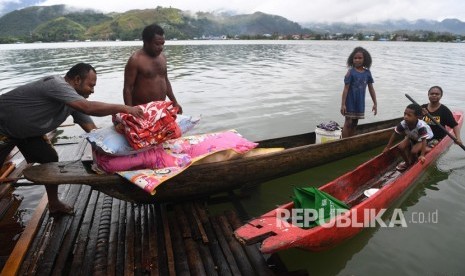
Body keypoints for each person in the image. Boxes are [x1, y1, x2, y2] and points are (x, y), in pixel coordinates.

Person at [0, 63, 143, 215]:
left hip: (26, 132)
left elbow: (93, 132)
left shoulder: (73, 102)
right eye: (90, 85)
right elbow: (89, 108)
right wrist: (125, 108)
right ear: (76, 80)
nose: (92, 91)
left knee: (49, 158)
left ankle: (54, 204)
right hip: (2, 126)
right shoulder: (56, 84)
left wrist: (112, 145)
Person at [123, 23, 182, 113]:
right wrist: (130, 111)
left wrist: (175, 102)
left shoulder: (162, 57)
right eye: (157, 44)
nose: (161, 47)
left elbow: (165, 81)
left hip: (161, 109)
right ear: (146, 42)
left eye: (162, 44)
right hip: (142, 111)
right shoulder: (135, 60)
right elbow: (127, 88)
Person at [340, 47, 377, 138]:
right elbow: (346, 89)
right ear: (352, 59)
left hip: (359, 102)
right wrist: (343, 104)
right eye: (355, 58)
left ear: (365, 60)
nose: (357, 60)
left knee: (355, 123)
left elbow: (371, 89)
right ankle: (343, 143)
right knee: (348, 122)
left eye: (360, 58)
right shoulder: (351, 72)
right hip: (350, 102)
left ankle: (350, 141)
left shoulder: (367, 73)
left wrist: (375, 103)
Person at [383, 103, 433, 171]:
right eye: (405, 114)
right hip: (412, 136)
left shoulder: (421, 126)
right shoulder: (403, 123)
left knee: (414, 151)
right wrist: (387, 147)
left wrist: (422, 155)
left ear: (417, 117)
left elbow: (424, 140)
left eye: (409, 115)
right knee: (400, 147)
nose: (405, 117)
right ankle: (407, 162)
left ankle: (416, 160)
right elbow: (395, 134)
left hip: (423, 138)